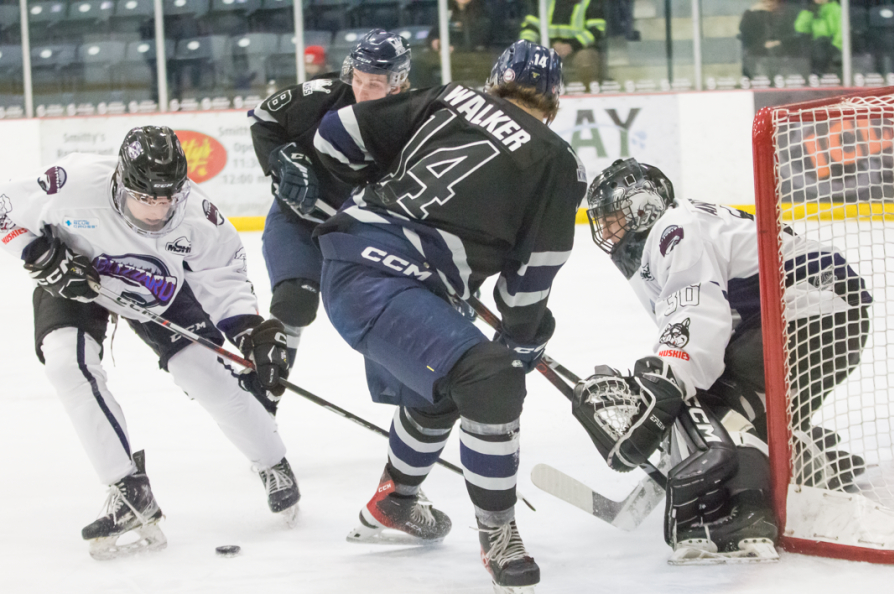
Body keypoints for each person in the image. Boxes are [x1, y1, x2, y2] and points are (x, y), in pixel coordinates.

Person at [312, 40, 585, 593]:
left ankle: (395, 500)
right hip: (385, 284)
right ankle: (499, 534)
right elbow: (531, 275)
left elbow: (334, 135)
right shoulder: (557, 160)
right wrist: (522, 337)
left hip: (358, 265)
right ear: (555, 102)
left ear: (494, 80)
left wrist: (382, 188)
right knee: (490, 376)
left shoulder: (450, 97)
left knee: (445, 384)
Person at [0, 126, 299, 560]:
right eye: (145, 198)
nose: (158, 209)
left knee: (202, 374)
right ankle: (128, 491)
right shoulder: (72, 184)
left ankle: (273, 461)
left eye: (167, 198)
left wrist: (250, 331)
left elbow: (224, 278)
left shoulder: (198, 216)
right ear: (121, 181)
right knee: (66, 363)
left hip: (158, 290)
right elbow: (3, 210)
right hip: (75, 278)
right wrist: (38, 254)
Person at [574, 158, 870, 563]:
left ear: (643, 207)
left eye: (613, 218)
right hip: (812, 311)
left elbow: (699, 315)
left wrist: (669, 382)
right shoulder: (667, 234)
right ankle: (803, 457)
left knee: (727, 409)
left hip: (817, 310)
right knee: (711, 396)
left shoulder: (675, 231)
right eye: (602, 222)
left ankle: (750, 515)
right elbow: (694, 321)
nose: (606, 230)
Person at [247, 29, 412, 415]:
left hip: (363, 239)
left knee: (390, 313)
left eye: (374, 83)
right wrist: (282, 156)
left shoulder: (414, 122)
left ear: (398, 82)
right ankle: (261, 401)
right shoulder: (323, 95)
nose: (362, 90)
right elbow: (265, 118)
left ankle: (411, 411)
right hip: (299, 221)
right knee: (294, 302)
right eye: (358, 79)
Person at [519, 0, 606, 89]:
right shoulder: (543, 2)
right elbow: (531, 27)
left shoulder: (590, 2)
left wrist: (571, 46)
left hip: (579, 49)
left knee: (586, 59)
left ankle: (591, 90)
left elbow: (596, 30)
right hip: (549, 49)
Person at [794, 0, 842, 76]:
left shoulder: (836, 9)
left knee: (821, 41)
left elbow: (841, 32)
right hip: (815, 50)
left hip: (833, 49)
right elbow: (800, 28)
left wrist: (836, 48)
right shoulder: (813, 10)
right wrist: (808, 12)